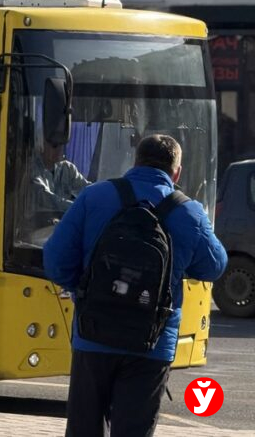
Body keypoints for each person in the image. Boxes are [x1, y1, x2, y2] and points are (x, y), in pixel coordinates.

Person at [43, 134, 227, 437]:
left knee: (84, 428)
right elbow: (214, 266)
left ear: (135, 162)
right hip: (151, 344)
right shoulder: (189, 211)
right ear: (176, 172)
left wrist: (85, 290)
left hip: (93, 334)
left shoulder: (95, 196)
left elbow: (55, 260)